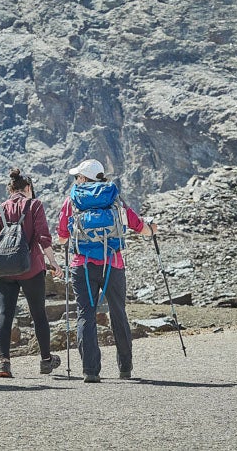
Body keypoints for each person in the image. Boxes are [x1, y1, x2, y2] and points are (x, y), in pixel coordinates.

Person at [57, 158, 157, 383]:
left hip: (82, 267)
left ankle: (90, 371)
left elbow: (62, 237)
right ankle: (125, 368)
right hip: (113, 264)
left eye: (77, 177)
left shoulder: (71, 201)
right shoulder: (114, 199)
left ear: (83, 178)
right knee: (118, 313)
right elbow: (139, 227)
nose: (76, 180)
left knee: (86, 315)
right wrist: (152, 228)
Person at [0, 168, 64, 378]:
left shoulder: (0, 209)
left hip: (4, 270)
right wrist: (53, 262)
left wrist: (4, 234)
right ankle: (45, 360)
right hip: (31, 268)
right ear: (28, 188)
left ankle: (4, 363)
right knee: (38, 314)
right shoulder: (34, 205)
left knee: (6, 313)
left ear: (10, 189)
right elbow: (44, 237)